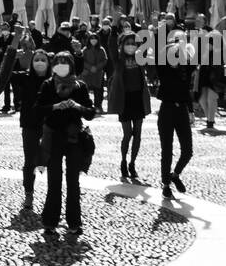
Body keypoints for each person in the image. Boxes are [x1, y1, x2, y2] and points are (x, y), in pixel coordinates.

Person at [36, 53, 96, 240]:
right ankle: (50, 222)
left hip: (74, 139)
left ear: (72, 66)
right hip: (54, 138)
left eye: (65, 63)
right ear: (53, 66)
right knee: (54, 182)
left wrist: (77, 106)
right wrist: (56, 106)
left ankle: (74, 222)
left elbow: (90, 113)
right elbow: (38, 109)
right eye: (58, 63)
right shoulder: (47, 85)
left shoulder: (80, 86)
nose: (62, 66)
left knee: (73, 182)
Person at [0, 40, 51, 209]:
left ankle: (52, 192)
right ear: (32, 63)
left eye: (43, 60)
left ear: (49, 63)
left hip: (50, 125)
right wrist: (11, 58)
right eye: (37, 59)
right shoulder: (25, 78)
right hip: (30, 124)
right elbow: (4, 75)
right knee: (29, 161)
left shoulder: (54, 80)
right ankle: (29, 193)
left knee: (49, 158)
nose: (40, 62)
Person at [156, 38, 197, 200]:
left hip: (182, 111)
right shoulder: (163, 69)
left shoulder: (185, 69)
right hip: (167, 110)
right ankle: (165, 184)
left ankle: (175, 174)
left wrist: (191, 111)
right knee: (167, 150)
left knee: (188, 150)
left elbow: (187, 91)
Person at [108, 31, 151, 182]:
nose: (131, 46)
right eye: (128, 43)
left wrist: (147, 27)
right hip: (124, 100)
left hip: (138, 98)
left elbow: (148, 44)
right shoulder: (119, 59)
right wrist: (113, 25)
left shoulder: (140, 57)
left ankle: (133, 163)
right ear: (122, 46)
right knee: (128, 134)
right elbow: (111, 46)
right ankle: (123, 161)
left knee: (138, 133)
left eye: (133, 43)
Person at [80, 32, 108, 113]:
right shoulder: (85, 49)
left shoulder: (101, 49)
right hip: (87, 73)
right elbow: (82, 60)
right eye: (91, 38)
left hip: (98, 73)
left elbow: (105, 60)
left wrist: (97, 67)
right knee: (85, 90)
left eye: (95, 38)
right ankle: (86, 106)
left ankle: (98, 106)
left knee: (98, 91)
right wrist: (90, 67)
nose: (93, 40)